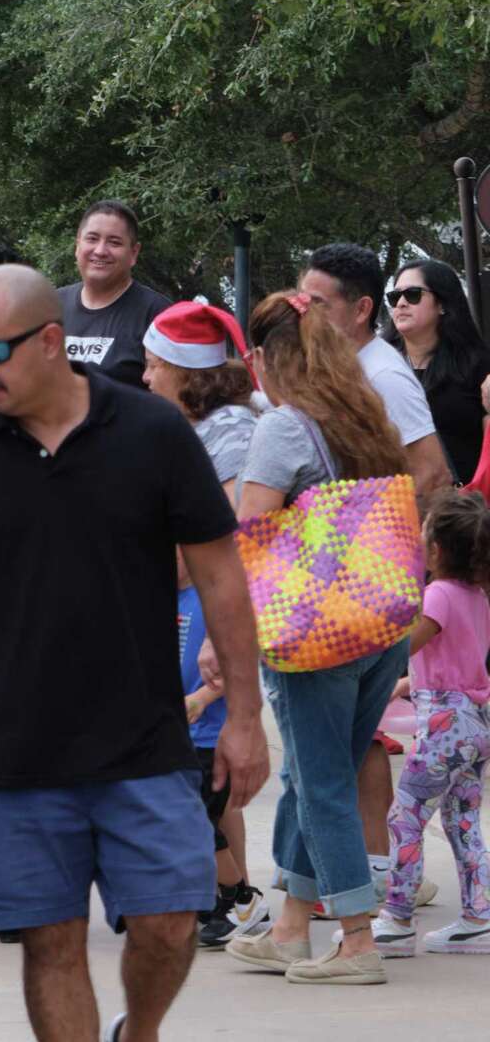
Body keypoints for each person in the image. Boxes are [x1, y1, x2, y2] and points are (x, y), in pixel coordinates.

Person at [0, 264, 267, 1042]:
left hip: (142, 733)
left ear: (52, 341)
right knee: (52, 939)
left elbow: (221, 575)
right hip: (6, 745)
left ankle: (140, 1032)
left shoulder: (152, 433)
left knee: (171, 921)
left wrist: (245, 714)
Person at [225, 291, 411, 986]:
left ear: (263, 359)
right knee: (314, 770)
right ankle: (292, 928)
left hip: (314, 632)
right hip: (377, 621)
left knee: (321, 778)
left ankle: (358, 940)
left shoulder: (282, 428)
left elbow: (252, 537)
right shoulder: (365, 417)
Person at [301, 242, 451, 897]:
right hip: (347, 578)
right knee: (356, 739)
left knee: (350, 737)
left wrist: (377, 557)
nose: (304, 312)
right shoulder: (343, 369)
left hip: (367, 582)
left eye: (318, 303)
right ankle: (389, 872)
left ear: (361, 311)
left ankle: (383, 876)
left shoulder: (382, 376)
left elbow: (432, 470)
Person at [141, 302, 268, 947]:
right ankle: (233, 894)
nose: (145, 377)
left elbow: (215, 539)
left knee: (197, 763)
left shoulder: (230, 434)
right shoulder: (197, 424)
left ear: (187, 370)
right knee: (204, 762)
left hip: (207, 610)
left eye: (156, 365)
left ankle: (231, 895)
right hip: (191, 603)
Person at [373, 490, 490, 957]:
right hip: (476, 720)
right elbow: (455, 656)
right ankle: (478, 918)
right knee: (463, 823)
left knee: (405, 819)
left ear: (436, 550)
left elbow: (405, 647)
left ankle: (397, 920)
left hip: (445, 726)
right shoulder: (477, 595)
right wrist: (407, 686)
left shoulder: (436, 595)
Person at [384, 259, 490, 485]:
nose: (401, 303)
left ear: (442, 304)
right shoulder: (378, 366)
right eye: (395, 297)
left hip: (461, 508)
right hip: (393, 506)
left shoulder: (477, 366)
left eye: (413, 294)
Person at [59, 200, 171, 389]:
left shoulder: (159, 315)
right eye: (92, 239)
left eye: (114, 242)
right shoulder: (49, 306)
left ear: (133, 253)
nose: (101, 251)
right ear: (77, 246)